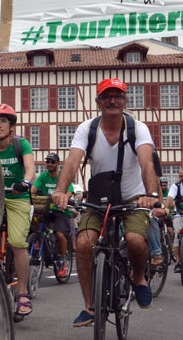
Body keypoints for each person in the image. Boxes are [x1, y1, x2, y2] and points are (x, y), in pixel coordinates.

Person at [52, 78, 160, 327]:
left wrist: (151, 195)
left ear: (125, 101)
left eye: (118, 96)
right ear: (98, 102)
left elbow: (146, 163)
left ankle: (139, 277)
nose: (113, 101)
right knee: (82, 243)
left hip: (133, 195)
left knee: (134, 240)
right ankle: (89, 306)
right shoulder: (87, 128)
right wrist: (61, 190)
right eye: (107, 96)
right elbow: (72, 162)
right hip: (98, 197)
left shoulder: (137, 128)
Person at [0, 104, 35, 319]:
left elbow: (30, 168)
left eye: (3, 121)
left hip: (17, 197)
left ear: (11, 125)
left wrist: (25, 182)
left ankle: (23, 292)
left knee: (17, 242)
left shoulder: (20, 144)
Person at [31, 152, 75, 278]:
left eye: (52, 162)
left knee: (61, 235)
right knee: (35, 219)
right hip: (46, 209)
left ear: (57, 164)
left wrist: (64, 200)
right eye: (48, 162)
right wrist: (28, 194)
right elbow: (33, 189)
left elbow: (70, 191)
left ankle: (62, 259)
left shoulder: (62, 176)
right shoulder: (43, 176)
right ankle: (37, 240)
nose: (49, 164)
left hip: (61, 210)